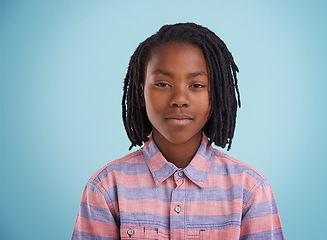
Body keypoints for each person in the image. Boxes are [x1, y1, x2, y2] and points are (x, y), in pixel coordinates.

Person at [72, 22, 286, 240]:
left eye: (197, 85)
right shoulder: (106, 189)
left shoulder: (250, 191)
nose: (179, 100)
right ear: (141, 91)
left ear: (217, 94)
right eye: (163, 84)